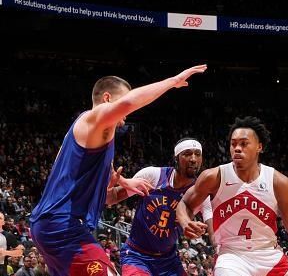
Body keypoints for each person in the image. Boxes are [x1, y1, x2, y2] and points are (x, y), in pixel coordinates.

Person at [29, 65, 207, 276]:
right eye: (122, 101)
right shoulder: (94, 118)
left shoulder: (94, 136)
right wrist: (172, 81)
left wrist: (120, 181)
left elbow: (94, 190)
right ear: (106, 98)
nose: (126, 115)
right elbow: (129, 102)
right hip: (62, 225)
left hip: (51, 226)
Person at [176, 116, 288, 276]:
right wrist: (185, 223)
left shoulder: (278, 182)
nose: (237, 148)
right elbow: (185, 204)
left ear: (259, 147)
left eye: (244, 144)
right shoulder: (214, 177)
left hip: (270, 255)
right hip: (232, 256)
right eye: (233, 143)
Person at [107, 138, 212, 276]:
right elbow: (112, 198)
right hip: (137, 256)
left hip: (168, 260)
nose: (193, 159)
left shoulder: (199, 192)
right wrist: (109, 185)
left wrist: (210, 239)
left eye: (198, 154)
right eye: (187, 153)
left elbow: (212, 225)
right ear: (176, 158)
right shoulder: (153, 175)